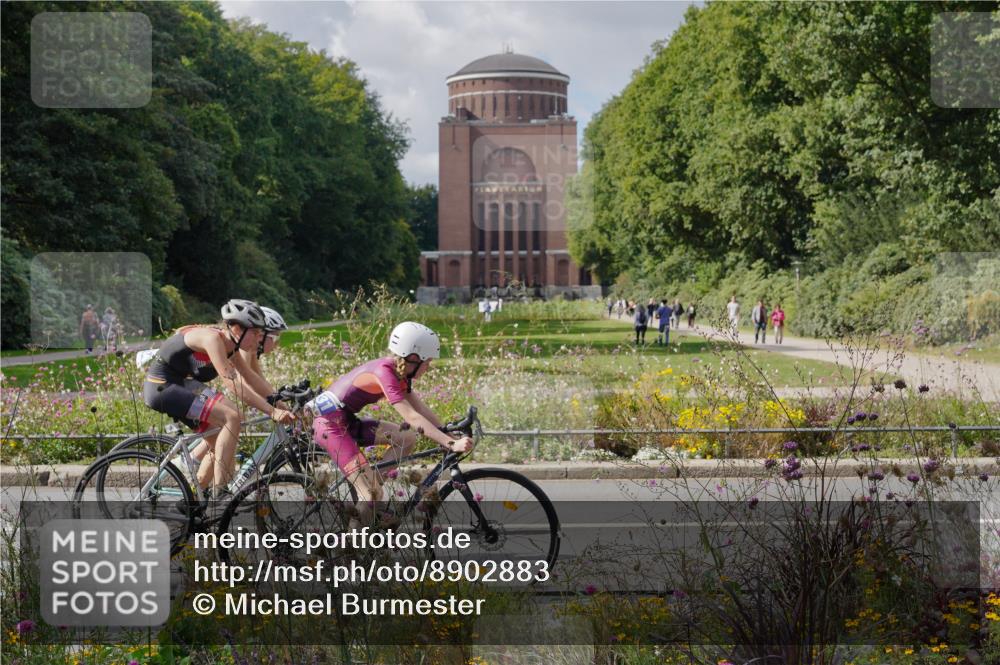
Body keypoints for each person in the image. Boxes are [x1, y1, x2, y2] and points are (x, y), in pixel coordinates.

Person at [310, 322, 474, 527]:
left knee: (406, 438)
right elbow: (412, 418)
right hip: (328, 426)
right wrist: (450, 444)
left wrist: (446, 433)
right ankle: (350, 552)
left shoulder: (399, 373)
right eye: (428, 361)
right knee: (371, 495)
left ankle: (370, 486)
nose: (429, 366)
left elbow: (420, 409)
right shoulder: (384, 373)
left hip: (346, 420)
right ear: (414, 358)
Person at [142, 299, 294, 497]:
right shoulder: (213, 340)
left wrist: (282, 406)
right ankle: (220, 493)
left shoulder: (230, 346)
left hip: (181, 385)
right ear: (237, 329)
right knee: (232, 417)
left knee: (219, 436)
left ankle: (196, 499)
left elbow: (251, 379)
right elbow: (234, 383)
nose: (259, 338)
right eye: (255, 332)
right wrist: (272, 412)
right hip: (162, 386)